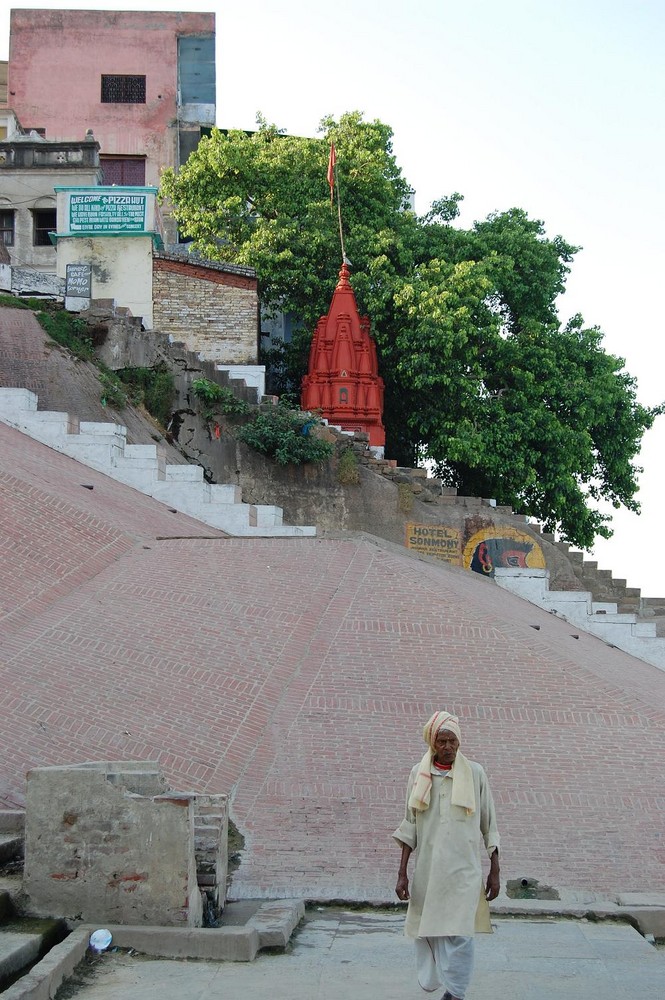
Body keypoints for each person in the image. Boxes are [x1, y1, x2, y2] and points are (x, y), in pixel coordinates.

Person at [393, 711, 500, 1000]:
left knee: (462, 935)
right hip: (429, 871)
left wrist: (495, 869)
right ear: (433, 743)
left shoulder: (475, 773)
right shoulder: (418, 774)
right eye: (442, 741)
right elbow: (409, 825)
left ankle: (455, 992)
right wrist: (402, 873)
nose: (448, 747)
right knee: (432, 931)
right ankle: (445, 986)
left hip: (465, 871)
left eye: (453, 741)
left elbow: (489, 823)